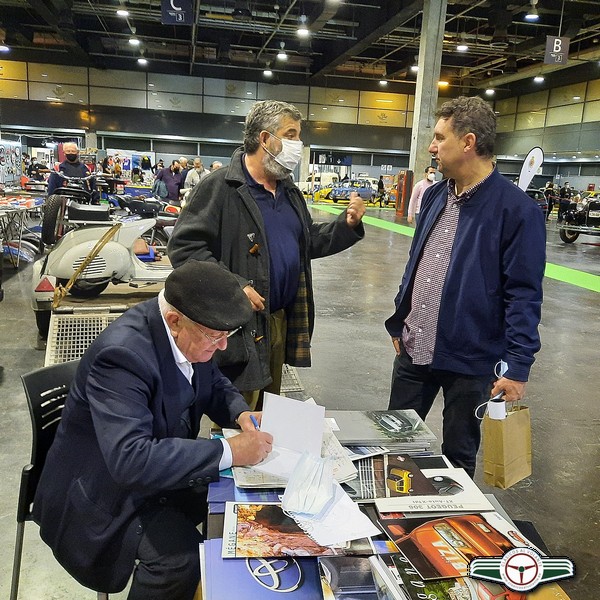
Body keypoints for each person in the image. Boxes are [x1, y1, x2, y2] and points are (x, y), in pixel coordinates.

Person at [32, 260, 273, 600]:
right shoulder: (122, 356)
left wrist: (241, 414)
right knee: (178, 560)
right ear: (175, 321)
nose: (222, 346)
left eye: (227, 336)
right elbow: (131, 460)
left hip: (152, 472)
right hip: (102, 493)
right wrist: (231, 450)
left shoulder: (191, 328)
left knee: (238, 505)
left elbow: (211, 381)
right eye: (216, 336)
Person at [168, 99, 366, 410]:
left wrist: (346, 225)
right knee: (236, 413)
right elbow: (185, 248)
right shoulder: (220, 187)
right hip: (236, 325)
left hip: (278, 320)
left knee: (270, 412)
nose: (297, 144)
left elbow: (306, 241)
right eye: (290, 134)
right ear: (264, 138)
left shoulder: (288, 191)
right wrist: (234, 287)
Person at [385, 96, 545, 478]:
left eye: (439, 137)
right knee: (393, 446)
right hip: (413, 349)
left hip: (471, 361)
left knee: (457, 458)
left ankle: (445, 531)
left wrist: (518, 365)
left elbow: (523, 293)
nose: (431, 147)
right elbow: (417, 262)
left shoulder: (517, 211)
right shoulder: (437, 195)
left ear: (468, 142)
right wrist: (400, 317)